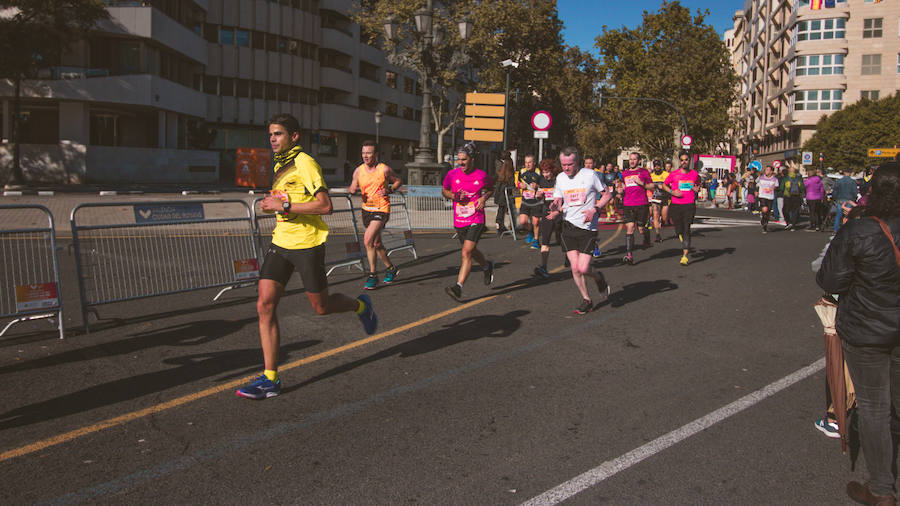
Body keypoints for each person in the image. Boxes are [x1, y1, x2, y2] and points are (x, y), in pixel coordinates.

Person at [237, 114, 377, 400]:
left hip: (307, 244)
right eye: (271, 134)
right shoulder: (280, 164)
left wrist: (285, 205)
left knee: (321, 307)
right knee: (264, 305)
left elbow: (325, 206)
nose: (272, 139)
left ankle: (360, 307)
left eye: (278, 134)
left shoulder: (306, 163)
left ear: (294, 136)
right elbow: (285, 201)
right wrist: (272, 204)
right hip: (281, 242)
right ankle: (270, 378)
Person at [817, 162, 900, 506]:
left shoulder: (861, 229)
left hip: (867, 329)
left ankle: (882, 488)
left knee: (874, 408)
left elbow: (831, 280)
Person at [549, 146, 611, 314]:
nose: (566, 168)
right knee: (575, 268)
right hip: (568, 226)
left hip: (587, 228)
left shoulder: (590, 175)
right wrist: (555, 206)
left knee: (583, 268)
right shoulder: (561, 178)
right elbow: (558, 199)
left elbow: (607, 194)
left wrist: (595, 209)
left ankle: (598, 277)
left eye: (569, 164)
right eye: (563, 164)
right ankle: (587, 299)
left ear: (577, 162)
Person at [442, 143, 495, 301]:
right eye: (459, 160)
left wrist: (484, 198)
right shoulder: (452, 174)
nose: (461, 163)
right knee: (471, 251)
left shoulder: (481, 175)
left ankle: (458, 287)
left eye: (464, 159)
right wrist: (454, 197)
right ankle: (487, 266)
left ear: (472, 159)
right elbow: (444, 190)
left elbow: (491, 188)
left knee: (466, 252)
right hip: (459, 220)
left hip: (476, 218)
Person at [348, 140, 402, 290]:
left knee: (367, 240)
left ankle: (373, 275)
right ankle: (391, 269)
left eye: (369, 153)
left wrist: (389, 190)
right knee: (376, 244)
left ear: (376, 154)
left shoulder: (384, 169)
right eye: (363, 153)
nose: (365, 156)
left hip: (381, 209)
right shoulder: (358, 171)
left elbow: (398, 181)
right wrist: (352, 189)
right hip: (367, 210)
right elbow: (353, 186)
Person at [663, 152, 701, 266]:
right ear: (680, 161)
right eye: (682, 160)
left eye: (686, 160)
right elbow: (664, 185)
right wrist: (672, 192)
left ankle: (684, 256)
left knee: (686, 228)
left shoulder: (694, 174)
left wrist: (696, 189)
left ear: (689, 161)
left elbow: (698, 186)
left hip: (689, 205)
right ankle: (684, 241)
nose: (684, 162)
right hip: (676, 205)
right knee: (679, 229)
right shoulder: (674, 174)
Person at [620, 152, 655, 264]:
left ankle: (646, 237)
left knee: (641, 229)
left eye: (634, 159)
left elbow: (652, 186)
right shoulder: (624, 173)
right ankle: (629, 255)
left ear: (639, 161)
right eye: (630, 159)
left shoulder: (643, 172)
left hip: (641, 203)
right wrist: (620, 189)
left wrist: (641, 183)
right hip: (628, 203)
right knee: (630, 227)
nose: (632, 161)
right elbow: (622, 185)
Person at [534, 158, 563, 279]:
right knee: (545, 241)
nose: (545, 175)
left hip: (560, 213)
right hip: (546, 212)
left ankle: (569, 258)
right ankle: (543, 267)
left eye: (547, 172)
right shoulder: (541, 180)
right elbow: (538, 197)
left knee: (562, 240)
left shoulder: (560, 180)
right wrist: (538, 196)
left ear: (552, 170)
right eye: (543, 172)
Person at [518, 154, 546, 248]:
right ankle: (530, 231)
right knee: (523, 221)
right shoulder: (522, 171)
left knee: (536, 222)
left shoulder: (539, 172)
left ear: (534, 163)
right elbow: (517, 182)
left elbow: (545, 185)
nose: (527, 164)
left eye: (530, 162)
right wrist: (519, 185)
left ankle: (536, 240)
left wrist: (537, 187)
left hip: (536, 201)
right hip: (525, 200)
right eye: (526, 162)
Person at [832, 168, 860, 235]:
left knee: (838, 215)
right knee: (848, 215)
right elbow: (855, 192)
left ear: (844, 173)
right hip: (849, 200)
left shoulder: (839, 181)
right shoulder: (853, 181)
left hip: (840, 200)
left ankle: (836, 229)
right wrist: (854, 198)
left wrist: (835, 198)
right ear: (850, 173)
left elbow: (835, 191)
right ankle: (847, 229)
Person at [649, 159, 671, 243]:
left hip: (665, 198)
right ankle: (657, 235)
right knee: (655, 216)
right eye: (655, 166)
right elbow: (648, 186)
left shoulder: (666, 174)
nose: (656, 167)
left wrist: (664, 186)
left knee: (665, 217)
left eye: (658, 165)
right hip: (655, 198)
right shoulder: (651, 176)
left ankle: (662, 221)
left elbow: (671, 184)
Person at [494, 153, 515, 234]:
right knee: (508, 210)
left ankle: (499, 224)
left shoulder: (501, 172)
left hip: (500, 194)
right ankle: (510, 226)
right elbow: (512, 183)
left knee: (501, 209)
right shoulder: (509, 171)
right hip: (505, 195)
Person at [756, 165, 778, 234]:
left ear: (771, 171)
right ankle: (763, 223)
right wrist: (756, 191)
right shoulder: (761, 177)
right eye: (766, 170)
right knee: (765, 209)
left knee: (768, 212)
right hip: (762, 196)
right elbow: (755, 183)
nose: (766, 171)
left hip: (770, 197)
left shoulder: (775, 179)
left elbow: (777, 186)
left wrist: (774, 188)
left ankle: (765, 224)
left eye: (768, 170)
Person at [804, 167, 826, 232]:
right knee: (818, 212)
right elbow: (822, 190)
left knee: (812, 212)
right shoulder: (819, 180)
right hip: (818, 197)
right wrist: (822, 197)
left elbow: (803, 187)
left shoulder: (808, 181)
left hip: (810, 197)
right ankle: (818, 225)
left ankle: (812, 224)